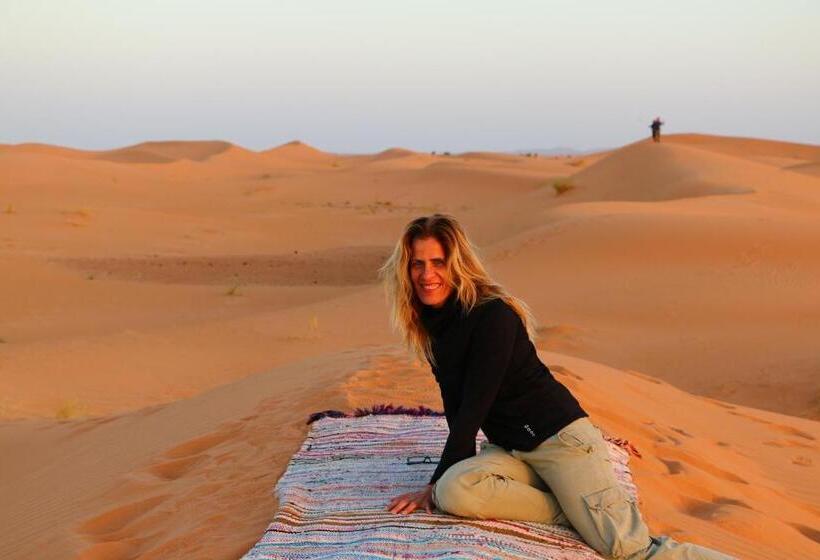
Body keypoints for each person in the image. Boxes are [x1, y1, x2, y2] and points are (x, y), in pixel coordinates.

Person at [379, 214, 735, 560]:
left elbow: (474, 406)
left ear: (457, 265)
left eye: (438, 262)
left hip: (560, 442)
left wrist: (431, 483)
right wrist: (441, 482)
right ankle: (575, 509)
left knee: (630, 550)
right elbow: (455, 406)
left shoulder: (493, 317)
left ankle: (588, 513)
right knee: (454, 491)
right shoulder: (433, 326)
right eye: (417, 264)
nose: (427, 275)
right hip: (513, 450)